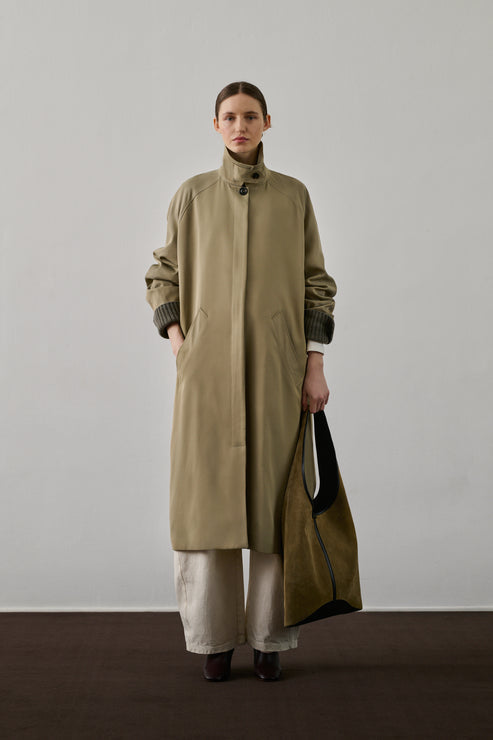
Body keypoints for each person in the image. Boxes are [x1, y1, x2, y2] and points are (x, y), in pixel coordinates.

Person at [144, 81, 337, 681]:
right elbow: (162, 273)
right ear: (216, 125)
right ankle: (213, 639)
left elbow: (316, 282)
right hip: (206, 377)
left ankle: (269, 639)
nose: (240, 126)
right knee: (209, 504)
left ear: (267, 122)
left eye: (250, 116)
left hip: (279, 373)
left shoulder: (293, 196)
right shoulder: (192, 196)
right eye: (229, 117)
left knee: (276, 508)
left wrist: (314, 363)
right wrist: (182, 344)